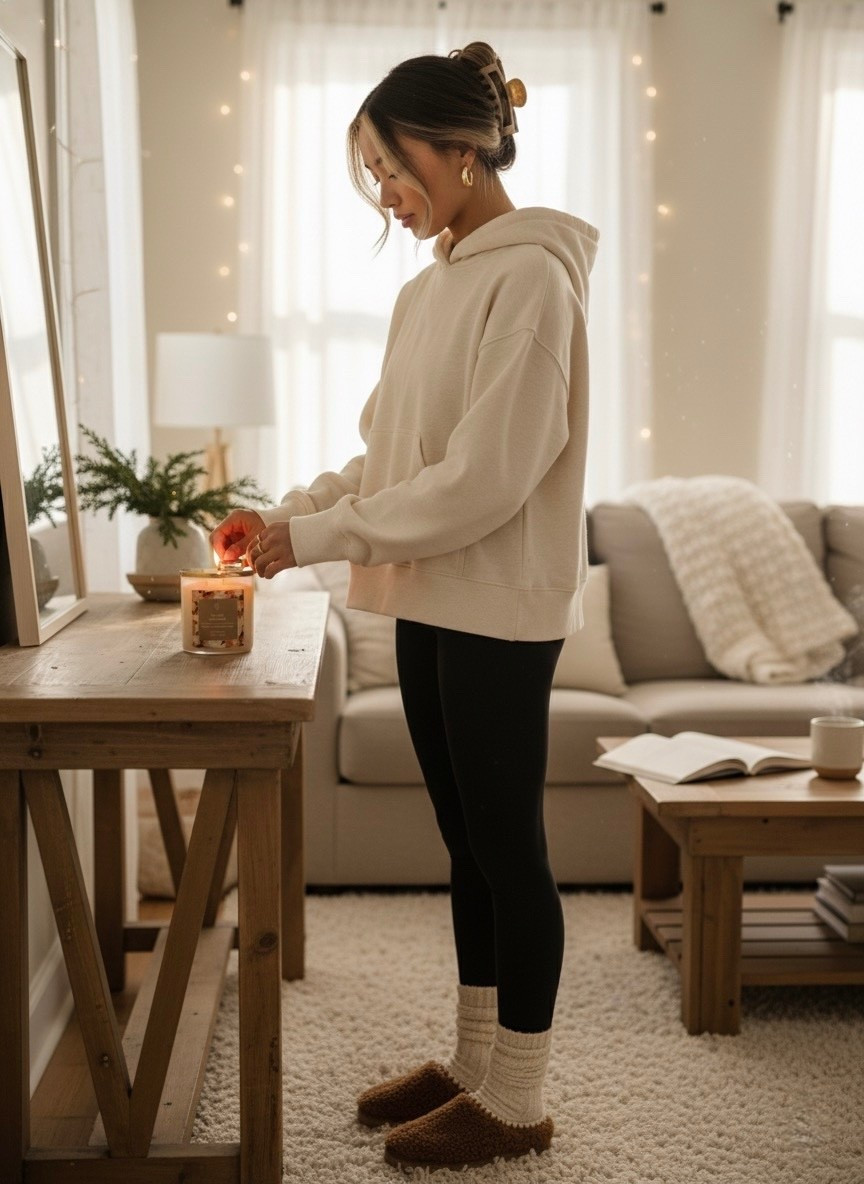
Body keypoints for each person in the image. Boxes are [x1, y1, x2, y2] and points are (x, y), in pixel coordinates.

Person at [211, 40, 599, 1173]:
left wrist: (320, 536)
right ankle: (475, 1062)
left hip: (498, 599)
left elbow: (488, 477)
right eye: (371, 170)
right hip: (430, 592)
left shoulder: (533, 276)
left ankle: (519, 1098)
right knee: (466, 846)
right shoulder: (430, 285)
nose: (385, 189)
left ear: (463, 147)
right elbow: (386, 458)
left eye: (392, 162)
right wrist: (291, 514)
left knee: (508, 849)